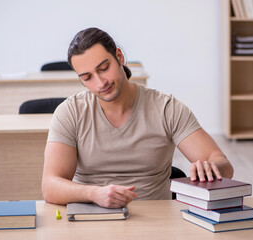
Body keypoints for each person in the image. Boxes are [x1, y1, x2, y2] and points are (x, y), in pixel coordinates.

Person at [42, 27, 234, 208]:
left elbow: (221, 163)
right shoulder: (70, 112)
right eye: (87, 77)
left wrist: (211, 168)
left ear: (119, 57)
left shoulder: (166, 108)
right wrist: (94, 194)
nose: (100, 83)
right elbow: (50, 186)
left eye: (103, 68)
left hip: (157, 221)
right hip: (91, 219)